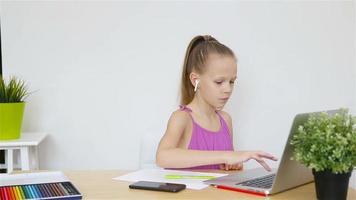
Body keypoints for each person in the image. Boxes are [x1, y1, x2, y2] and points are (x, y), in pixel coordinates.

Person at [156, 35, 277, 170]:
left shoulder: (225, 120)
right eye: (219, 82)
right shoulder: (182, 118)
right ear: (195, 80)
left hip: (216, 192)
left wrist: (234, 164)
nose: (228, 89)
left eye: (232, 81)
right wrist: (225, 156)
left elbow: (227, 165)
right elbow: (163, 157)